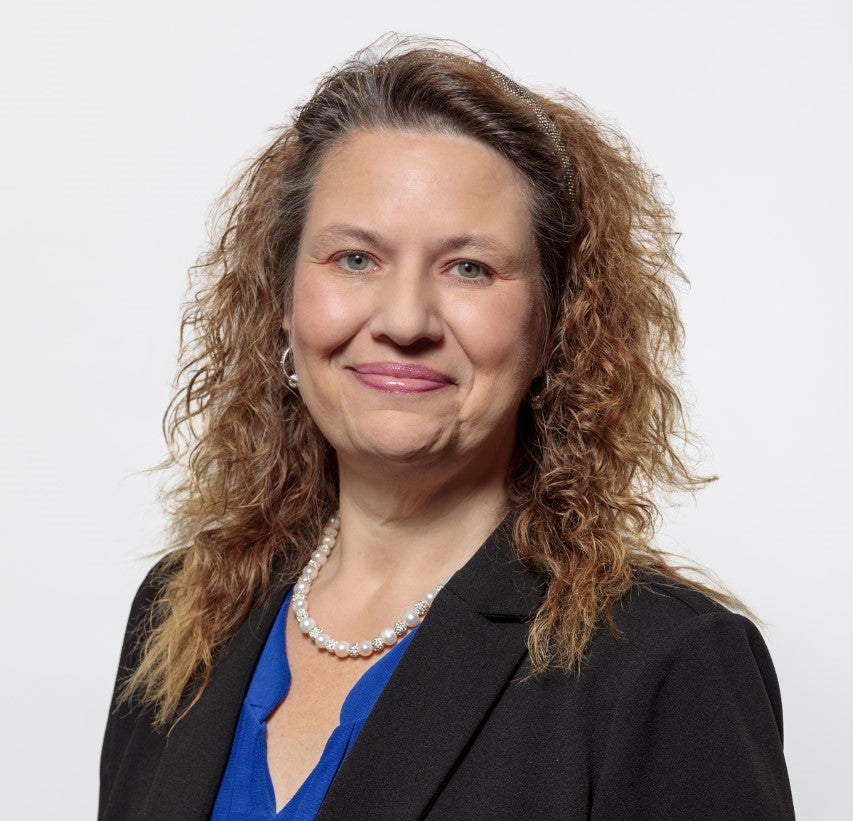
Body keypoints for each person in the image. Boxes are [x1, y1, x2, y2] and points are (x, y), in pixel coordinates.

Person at [99, 37, 795, 820]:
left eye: (469, 268)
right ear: (283, 301)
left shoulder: (664, 662)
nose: (403, 321)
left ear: (550, 326)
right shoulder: (185, 612)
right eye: (355, 258)